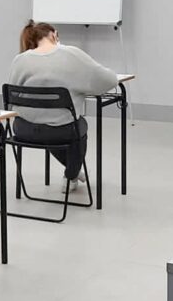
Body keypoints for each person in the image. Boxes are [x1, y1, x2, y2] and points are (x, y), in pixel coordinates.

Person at [6, 21, 118, 186]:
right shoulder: (71, 54)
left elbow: (11, 96)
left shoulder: (19, 60)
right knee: (76, 126)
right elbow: (109, 80)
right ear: (54, 34)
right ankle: (71, 175)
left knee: (51, 122)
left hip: (23, 130)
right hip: (61, 132)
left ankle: (73, 173)